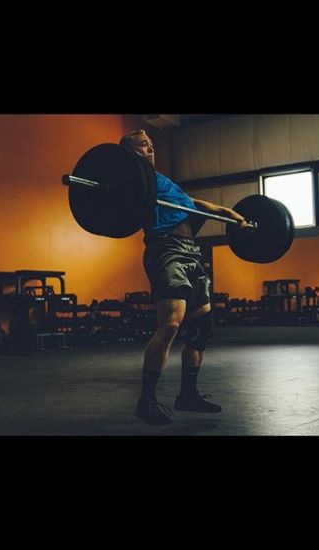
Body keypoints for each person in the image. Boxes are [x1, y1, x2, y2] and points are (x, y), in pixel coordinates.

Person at [120, 129, 248, 425]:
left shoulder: (164, 182)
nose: (150, 148)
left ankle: (188, 395)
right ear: (127, 152)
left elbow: (195, 204)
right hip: (166, 249)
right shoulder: (131, 182)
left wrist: (231, 214)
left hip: (191, 251)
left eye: (151, 144)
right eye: (143, 144)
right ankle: (147, 401)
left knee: (201, 327)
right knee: (172, 322)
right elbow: (114, 200)